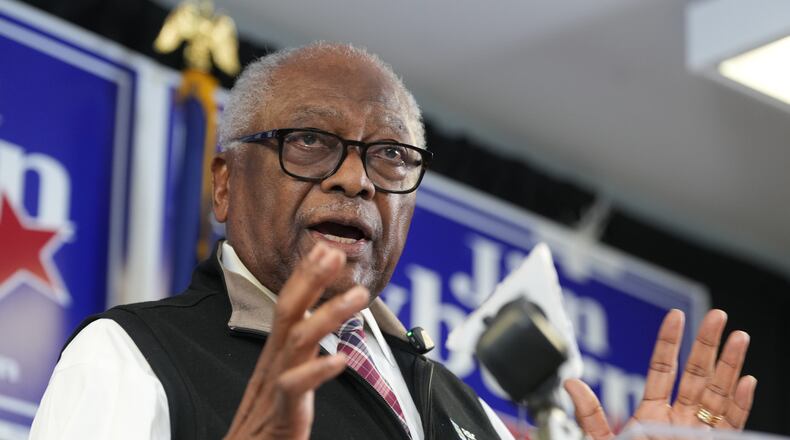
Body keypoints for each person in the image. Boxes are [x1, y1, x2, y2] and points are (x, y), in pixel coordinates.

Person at [31, 42, 755, 439]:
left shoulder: (469, 417)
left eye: (391, 157)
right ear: (223, 183)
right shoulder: (130, 357)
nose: (355, 179)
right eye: (310, 142)